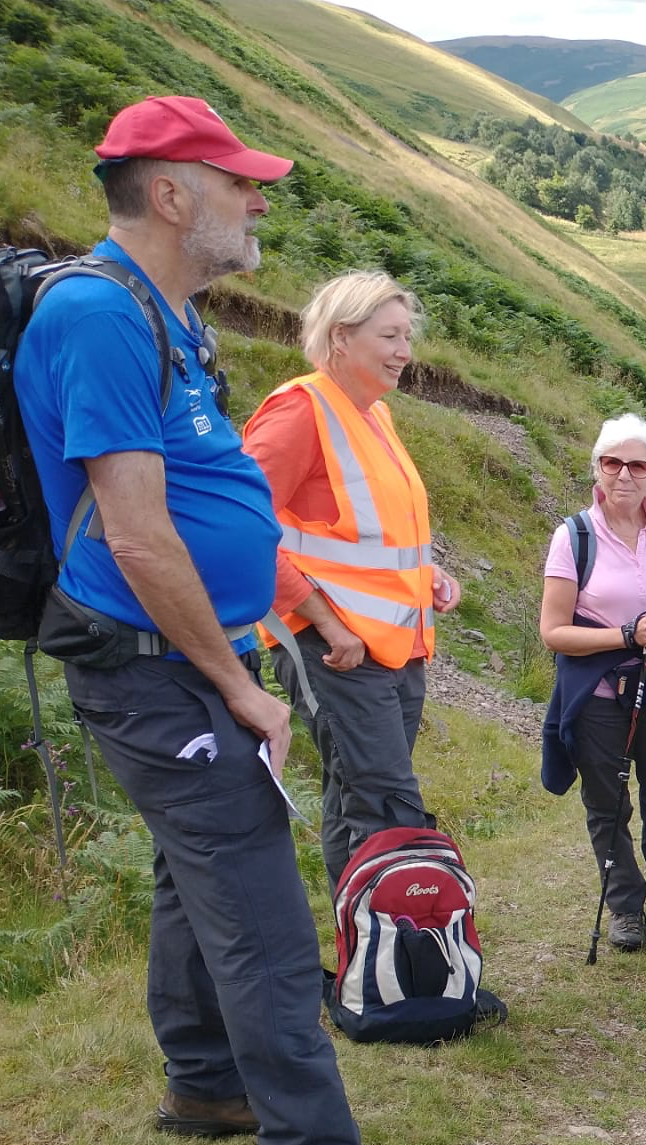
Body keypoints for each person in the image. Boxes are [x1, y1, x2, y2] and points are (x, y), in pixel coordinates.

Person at [14, 95, 435, 1145]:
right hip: (158, 668)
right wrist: (242, 683)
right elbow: (139, 534)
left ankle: (204, 1082)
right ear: (168, 192)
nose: (258, 201)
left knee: (187, 870)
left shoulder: (163, 313)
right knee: (259, 915)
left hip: (191, 658)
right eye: (239, 182)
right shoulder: (101, 315)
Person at [242, 271, 461, 898]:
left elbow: (364, 538)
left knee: (357, 799)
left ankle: (364, 958)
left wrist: (428, 576)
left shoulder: (375, 414)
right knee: (389, 803)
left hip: (396, 650)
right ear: (340, 338)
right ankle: (396, 966)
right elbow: (241, 526)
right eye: (389, 335)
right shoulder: (299, 410)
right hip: (337, 649)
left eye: (406, 336)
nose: (404, 351)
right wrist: (324, 618)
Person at [539, 414, 646, 959]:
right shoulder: (573, 537)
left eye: (638, 465)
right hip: (596, 698)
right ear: (597, 467)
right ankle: (623, 908)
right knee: (608, 805)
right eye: (612, 462)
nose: (623, 474)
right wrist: (623, 635)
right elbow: (553, 632)